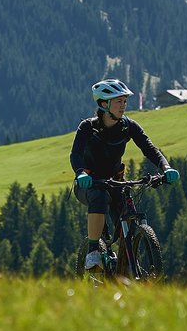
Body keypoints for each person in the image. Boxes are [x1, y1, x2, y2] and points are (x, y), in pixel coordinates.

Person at [70, 79, 176, 275]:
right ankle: (93, 251)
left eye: (124, 101)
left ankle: (130, 262)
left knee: (129, 213)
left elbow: (149, 148)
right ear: (104, 104)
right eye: (118, 101)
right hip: (89, 184)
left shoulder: (129, 126)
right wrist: (80, 173)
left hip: (115, 182)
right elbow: (75, 155)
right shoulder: (88, 127)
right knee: (100, 196)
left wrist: (166, 167)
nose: (123, 106)